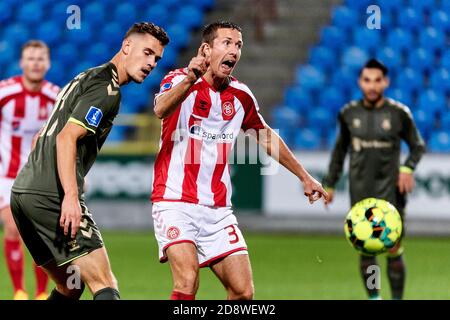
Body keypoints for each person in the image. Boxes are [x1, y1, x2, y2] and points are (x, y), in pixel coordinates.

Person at [151, 21, 328, 300]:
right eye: (227, 43)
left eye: (239, 45)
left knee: (243, 293)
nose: (234, 51)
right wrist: (189, 78)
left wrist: (304, 176)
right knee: (187, 281)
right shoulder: (179, 79)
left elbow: (266, 136)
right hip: (175, 202)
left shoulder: (241, 95)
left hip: (217, 210)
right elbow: (160, 109)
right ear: (206, 50)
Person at [10, 22, 169, 300]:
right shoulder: (107, 90)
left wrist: (37, 180)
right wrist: (70, 196)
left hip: (23, 194)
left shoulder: (84, 77)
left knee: (70, 286)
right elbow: (66, 138)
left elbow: (41, 137)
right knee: (105, 283)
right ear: (126, 46)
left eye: (156, 58)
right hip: (52, 195)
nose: (151, 63)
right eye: (147, 53)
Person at [322, 59, 426, 300]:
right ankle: (374, 298)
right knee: (367, 250)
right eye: (367, 80)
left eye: (377, 80)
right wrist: (329, 183)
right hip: (360, 192)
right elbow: (339, 151)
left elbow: (418, 146)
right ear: (360, 82)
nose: (372, 86)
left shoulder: (399, 114)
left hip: (392, 193)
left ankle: (397, 298)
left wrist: (407, 168)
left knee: (393, 248)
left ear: (385, 82)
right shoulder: (348, 114)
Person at [0, 40, 59, 300]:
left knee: (38, 235)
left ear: (47, 64)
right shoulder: (5, 92)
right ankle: (19, 291)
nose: (35, 63)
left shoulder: (56, 96)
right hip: (6, 174)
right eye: (30, 59)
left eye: (40, 59)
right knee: (12, 229)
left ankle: (41, 293)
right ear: (22, 63)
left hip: (39, 177)